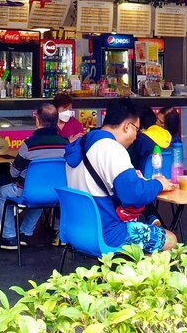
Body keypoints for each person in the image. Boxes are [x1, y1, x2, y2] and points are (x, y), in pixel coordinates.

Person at [65, 97, 177, 253]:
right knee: (170, 239)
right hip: (108, 233)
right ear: (127, 126)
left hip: (77, 231)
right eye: (137, 130)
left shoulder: (80, 144)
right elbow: (134, 195)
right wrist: (159, 184)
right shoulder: (113, 149)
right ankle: (136, 277)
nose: (136, 137)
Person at [0, 101, 67, 249]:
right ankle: (25, 233)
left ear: (38, 120)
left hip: (29, 192)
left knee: (3, 192)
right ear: (56, 120)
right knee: (40, 194)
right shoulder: (66, 144)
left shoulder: (29, 144)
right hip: (56, 195)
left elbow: (14, 173)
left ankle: (9, 237)